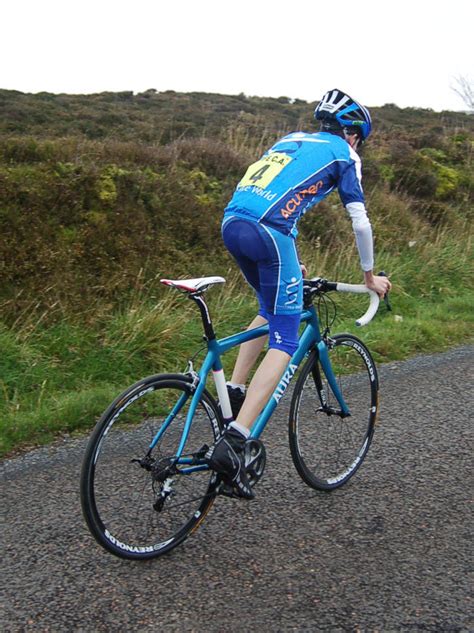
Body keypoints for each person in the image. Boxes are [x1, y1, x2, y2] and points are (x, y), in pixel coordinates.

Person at [207, 88, 392, 499]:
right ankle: (236, 440)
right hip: (270, 234)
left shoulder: (290, 139)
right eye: (359, 137)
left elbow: (275, 197)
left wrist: (291, 263)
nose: (358, 144)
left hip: (233, 224)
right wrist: (368, 277)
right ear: (353, 133)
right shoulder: (345, 154)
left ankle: (235, 392)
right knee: (286, 337)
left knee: (268, 308)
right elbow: (360, 223)